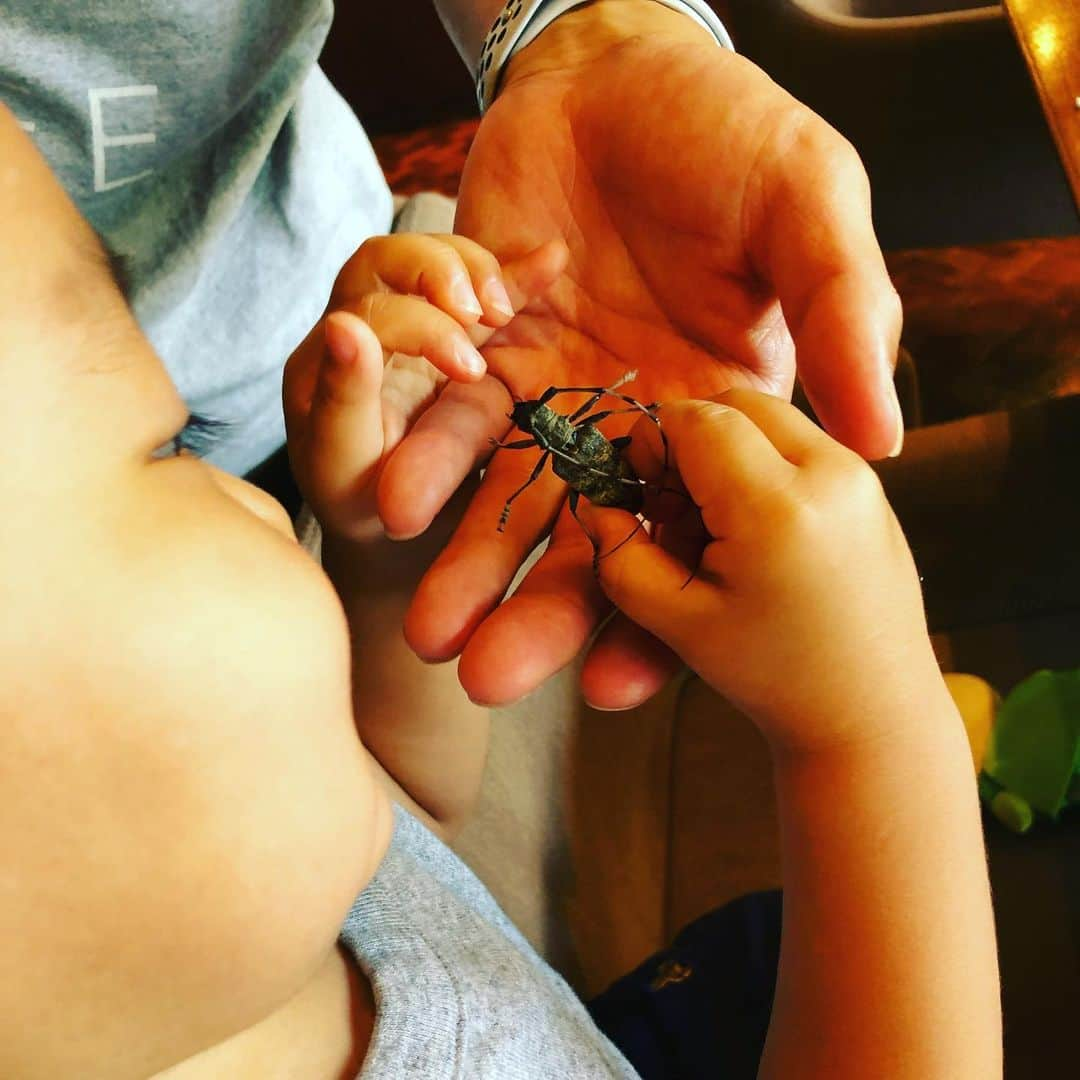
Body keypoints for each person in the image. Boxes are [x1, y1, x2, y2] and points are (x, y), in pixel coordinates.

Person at [2, 109, 1000, 1075]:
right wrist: (864, 728)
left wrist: (395, 541)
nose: (260, 503)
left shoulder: (245, 883)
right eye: (165, 449)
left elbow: (414, 807)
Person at [0, 0, 905, 711]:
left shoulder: (561, 423)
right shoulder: (552, 430)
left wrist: (586, 25)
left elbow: (573, 446)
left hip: (367, 298)